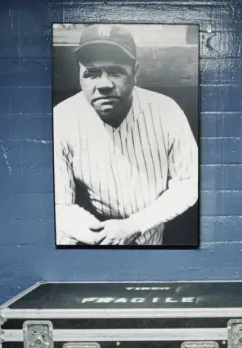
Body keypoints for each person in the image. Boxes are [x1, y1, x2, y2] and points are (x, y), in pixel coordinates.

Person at [53, 24, 198, 245]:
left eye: (115, 72)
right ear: (79, 74)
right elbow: (59, 204)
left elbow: (189, 184)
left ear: (135, 72)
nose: (104, 84)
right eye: (92, 73)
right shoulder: (62, 117)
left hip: (150, 236)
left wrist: (133, 225)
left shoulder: (166, 111)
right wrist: (100, 236)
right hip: (90, 237)